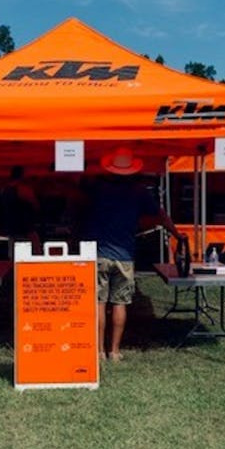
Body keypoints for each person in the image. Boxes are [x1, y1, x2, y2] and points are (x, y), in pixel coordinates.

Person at [80, 147, 183, 361]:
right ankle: (115, 351)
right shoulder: (139, 192)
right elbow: (161, 216)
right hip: (125, 255)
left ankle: (98, 351)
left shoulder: (98, 189)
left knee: (99, 302)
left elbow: (77, 197)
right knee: (120, 303)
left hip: (99, 253)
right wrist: (177, 234)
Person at [1, 165, 41, 255]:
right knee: (34, 252)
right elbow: (36, 205)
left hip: (11, 227)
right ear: (22, 175)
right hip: (26, 228)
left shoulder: (4, 189)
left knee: (13, 253)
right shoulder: (23, 189)